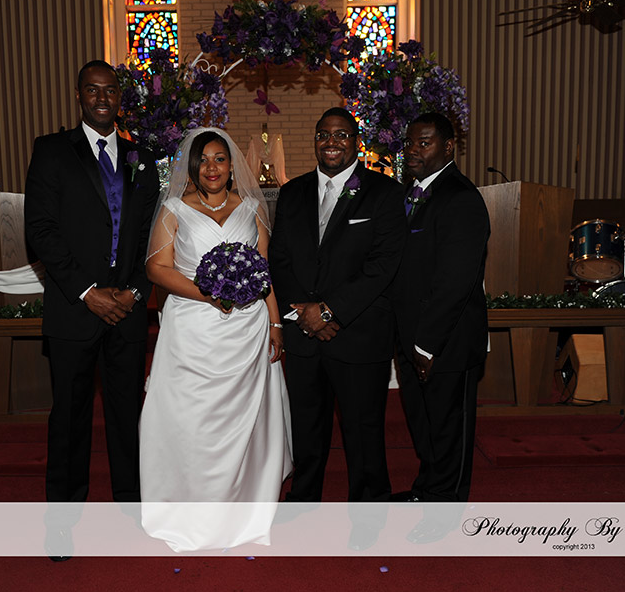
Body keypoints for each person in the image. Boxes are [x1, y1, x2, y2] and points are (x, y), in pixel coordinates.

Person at [24, 60, 160, 558]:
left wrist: (134, 292)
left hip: (126, 311)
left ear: (119, 97)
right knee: (70, 419)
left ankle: (133, 506)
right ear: (79, 95)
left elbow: (150, 234)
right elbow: (40, 230)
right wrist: (87, 291)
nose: (102, 98)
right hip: (74, 309)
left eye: (110, 90)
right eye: (92, 89)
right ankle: (61, 522)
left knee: (128, 415)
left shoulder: (142, 157)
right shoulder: (51, 151)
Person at [139, 128, 292, 552]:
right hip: (192, 331)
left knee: (245, 423)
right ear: (192, 167)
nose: (212, 167)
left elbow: (262, 269)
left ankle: (245, 506)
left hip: (248, 330)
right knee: (192, 421)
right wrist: (208, 293)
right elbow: (157, 269)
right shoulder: (174, 209)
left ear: (231, 165)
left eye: (220, 159)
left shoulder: (252, 208)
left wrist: (275, 323)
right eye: (203, 160)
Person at [268, 107, 405, 504]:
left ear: (356, 143)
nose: (331, 142)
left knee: (363, 430)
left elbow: (383, 265)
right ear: (314, 141)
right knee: (306, 426)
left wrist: (329, 311)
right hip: (304, 335)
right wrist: (303, 314)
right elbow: (280, 259)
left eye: (341, 135)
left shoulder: (384, 192)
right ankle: (304, 498)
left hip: (358, 333)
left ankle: (369, 508)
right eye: (324, 134)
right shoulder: (292, 192)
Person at [390, 112, 489, 520]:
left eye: (424, 142)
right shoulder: (411, 193)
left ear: (448, 147)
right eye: (409, 142)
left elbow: (455, 281)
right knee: (424, 423)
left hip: (444, 341)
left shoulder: (460, 197)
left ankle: (445, 508)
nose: (413, 150)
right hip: (411, 336)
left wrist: (426, 344)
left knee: (449, 429)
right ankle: (426, 489)